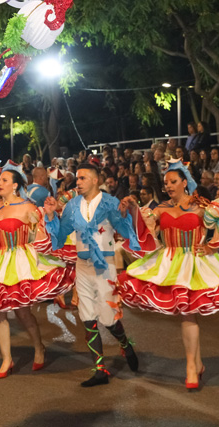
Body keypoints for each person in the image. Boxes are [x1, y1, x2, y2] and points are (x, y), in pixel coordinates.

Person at [116, 161, 219, 390]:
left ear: (185, 182)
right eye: (166, 182)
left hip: (195, 262)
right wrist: (130, 210)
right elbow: (142, 231)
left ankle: (191, 366)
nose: (168, 186)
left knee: (189, 314)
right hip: (169, 262)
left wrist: (212, 246)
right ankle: (196, 364)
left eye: (173, 181)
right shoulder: (159, 209)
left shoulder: (201, 205)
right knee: (187, 315)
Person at [43, 163, 142, 387]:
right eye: (77, 178)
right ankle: (100, 369)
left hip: (105, 265)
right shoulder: (72, 206)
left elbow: (126, 231)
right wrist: (51, 217)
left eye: (83, 178)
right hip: (82, 265)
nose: (77, 182)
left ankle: (125, 344)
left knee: (108, 318)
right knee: (87, 316)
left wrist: (128, 212)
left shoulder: (109, 203)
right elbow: (60, 237)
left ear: (96, 180)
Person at [0, 164, 72, 379]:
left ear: (15, 185)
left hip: (22, 260)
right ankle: (7, 359)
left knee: (23, 312)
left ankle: (39, 347)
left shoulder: (29, 207)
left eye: (4, 180)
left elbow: (40, 238)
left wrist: (37, 233)